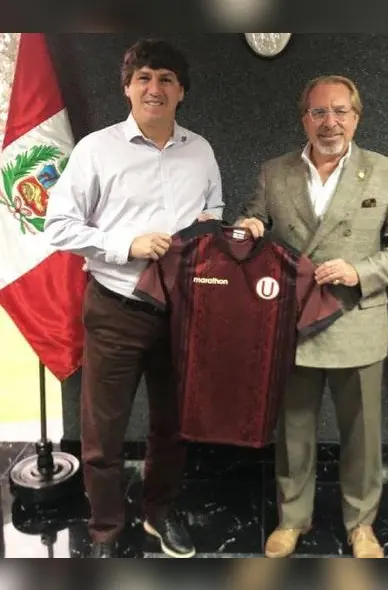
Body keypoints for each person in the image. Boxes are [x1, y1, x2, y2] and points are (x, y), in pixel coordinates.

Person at [45, 38, 223, 558]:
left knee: (173, 426)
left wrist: (210, 230)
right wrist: (128, 245)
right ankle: (105, 529)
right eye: (144, 77)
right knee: (102, 432)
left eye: (166, 78)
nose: (154, 87)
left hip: (184, 313)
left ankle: (159, 516)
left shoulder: (202, 149)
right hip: (116, 308)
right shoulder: (96, 149)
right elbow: (59, 226)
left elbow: (212, 207)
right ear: (126, 87)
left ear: (181, 91)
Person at [236, 74, 388, 558]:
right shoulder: (275, 172)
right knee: (294, 430)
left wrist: (359, 271)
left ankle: (361, 524)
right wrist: (249, 224)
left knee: (362, 435)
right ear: (305, 119)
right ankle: (292, 519)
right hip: (294, 322)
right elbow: (253, 217)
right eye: (319, 112)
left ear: (356, 118)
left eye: (340, 111)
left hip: (356, 320)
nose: (330, 122)